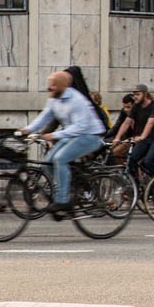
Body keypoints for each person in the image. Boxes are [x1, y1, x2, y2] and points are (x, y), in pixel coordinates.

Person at [18, 71, 106, 215]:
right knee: (48, 162)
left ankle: (62, 200)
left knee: (60, 158)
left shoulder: (77, 100)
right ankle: (66, 190)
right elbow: (44, 116)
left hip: (90, 136)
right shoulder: (54, 99)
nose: (49, 87)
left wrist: (54, 135)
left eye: (53, 85)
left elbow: (80, 127)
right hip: (72, 135)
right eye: (49, 84)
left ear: (63, 86)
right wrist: (27, 130)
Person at [112, 84, 154, 182]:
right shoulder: (135, 107)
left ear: (145, 94)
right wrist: (117, 137)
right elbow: (127, 122)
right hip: (146, 139)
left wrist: (142, 136)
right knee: (132, 160)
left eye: (138, 94)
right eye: (134, 95)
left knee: (148, 162)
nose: (135, 97)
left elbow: (150, 122)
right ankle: (136, 187)